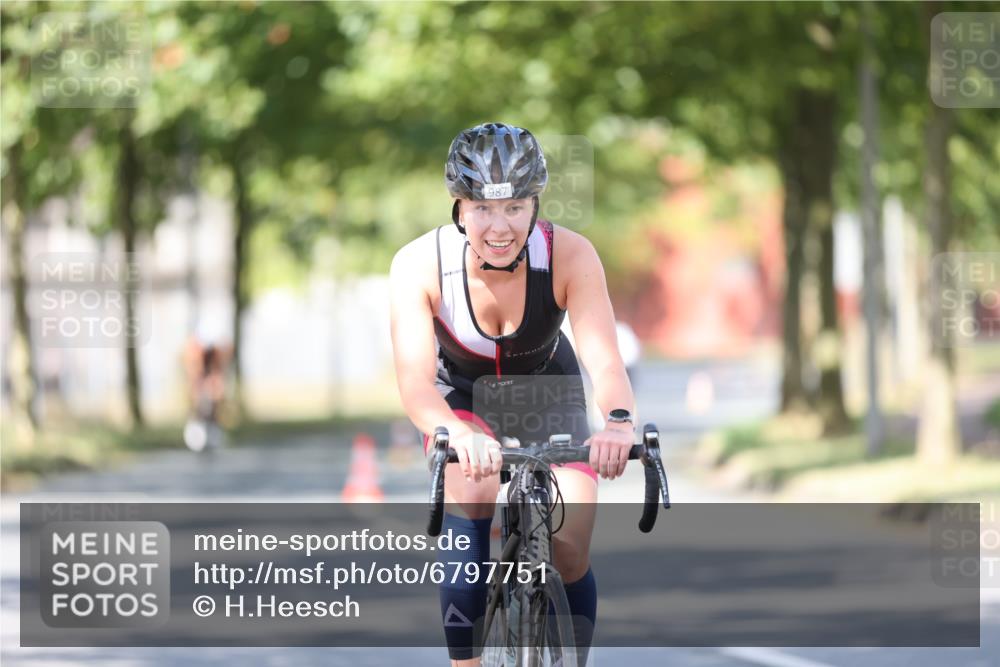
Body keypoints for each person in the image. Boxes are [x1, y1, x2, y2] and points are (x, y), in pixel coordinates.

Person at [389, 123, 636, 666]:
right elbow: (414, 380)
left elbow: (604, 359)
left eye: (516, 208)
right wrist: (451, 432)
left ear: (535, 205)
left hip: (550, 394)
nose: (499, 227)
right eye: (481, 208)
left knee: (569, 544)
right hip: (462, 402)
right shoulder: (418, 265)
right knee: (471, 497)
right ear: (458, 205)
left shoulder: (569, 255)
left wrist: (618, 421)